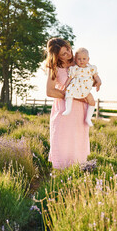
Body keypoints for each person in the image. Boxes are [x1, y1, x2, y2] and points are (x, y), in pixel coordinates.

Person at [44, 38, 100, 169]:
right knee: (62, 142)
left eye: (68, 49)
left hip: (80, 110)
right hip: (63, 110)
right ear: (56, 56)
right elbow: (50, 91)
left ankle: (77, 175)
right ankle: (59, 176)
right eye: (63, 54)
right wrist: (73, 95)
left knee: (78, 142)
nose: (69, 54)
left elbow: (89, 78)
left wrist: (96, 81)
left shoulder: (78, 61)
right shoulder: (54, 68)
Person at [62, 47, 102, 127]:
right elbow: (70, 79)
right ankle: (68, 109)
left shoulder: (91, 68)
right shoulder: (75, 69)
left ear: (88, 59)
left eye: (84, 59)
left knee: (92, 101)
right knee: (69, 93)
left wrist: (99, 81)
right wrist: (65, 87)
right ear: (75, 60)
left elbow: (96, 76)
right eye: (79, 59)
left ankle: (88, 118)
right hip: (75, 87)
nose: (82, 61)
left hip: (85, 89)